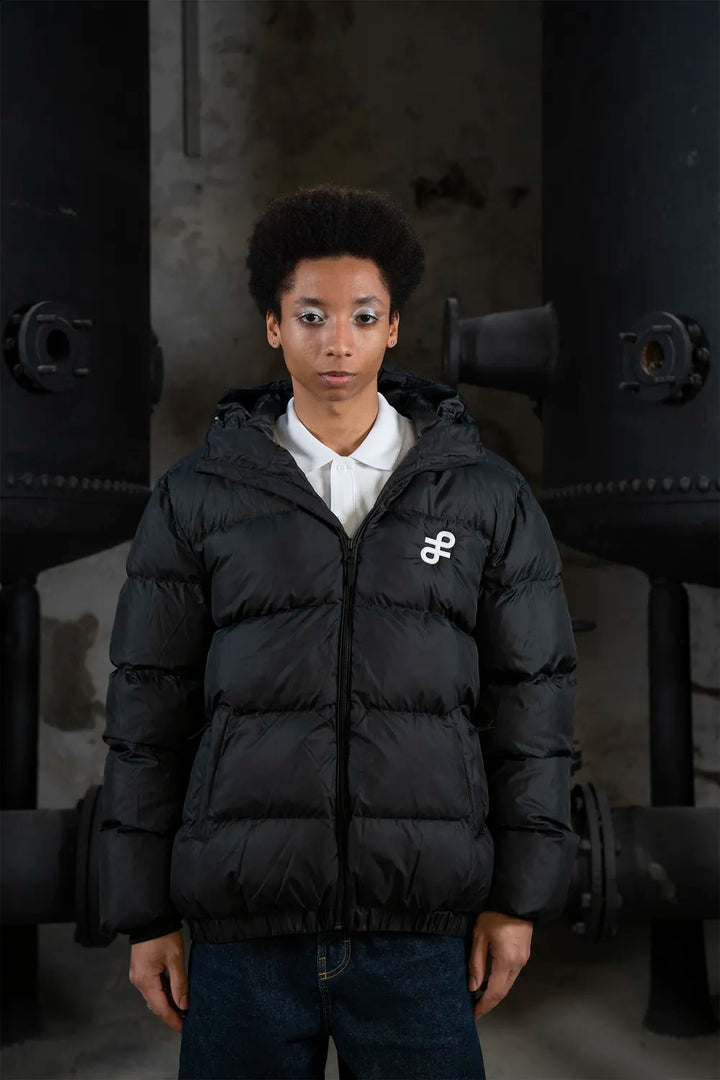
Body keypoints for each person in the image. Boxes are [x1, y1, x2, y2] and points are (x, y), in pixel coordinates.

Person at [98, 183, 580, 1080]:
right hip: (244, 930)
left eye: (362, 316)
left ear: (393, 328)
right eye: (311, 316)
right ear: (274, 326)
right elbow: (146, 715)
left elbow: (534, 709)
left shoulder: (484, 497)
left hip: (419, 932)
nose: (337, 342)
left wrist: (519, 900)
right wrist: (144, 915)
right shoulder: (198, 498)